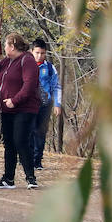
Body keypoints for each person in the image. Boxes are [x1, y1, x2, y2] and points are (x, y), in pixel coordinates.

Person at [0, 33, 41, 189]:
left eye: (5, 45)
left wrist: (15, 100)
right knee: (9, 143)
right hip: (7, 110)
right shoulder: (6, 61)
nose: (4, 48)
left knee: (20, 141)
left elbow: (29, 85)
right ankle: (8, 179)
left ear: (12, 46)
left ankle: (30, 177)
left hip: (24, 108)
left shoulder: (27, 60)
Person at [31, 38, 62, 171]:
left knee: (41, 132)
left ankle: (37, 161)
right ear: (31, 51)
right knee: (28, 131)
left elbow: (56, 86)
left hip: (45, 104)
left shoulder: (50, 68)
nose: (39, 56)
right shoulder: (25, 65)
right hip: (28, 104)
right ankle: (26, 158)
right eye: (37, 52)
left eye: (42, 53)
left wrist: (57, 104)